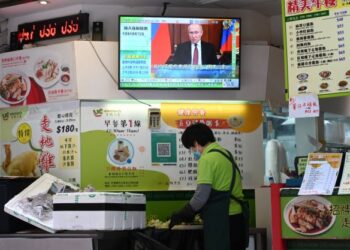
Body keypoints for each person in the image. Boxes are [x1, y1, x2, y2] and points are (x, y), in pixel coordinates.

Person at [169, 123, 246, 250]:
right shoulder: (226, 154)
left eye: (191, 148)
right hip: (237, 219)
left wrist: (183, 213)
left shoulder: (207, 159)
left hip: (222, 222)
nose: (193, 152)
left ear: (196, 142)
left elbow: (201, 197)